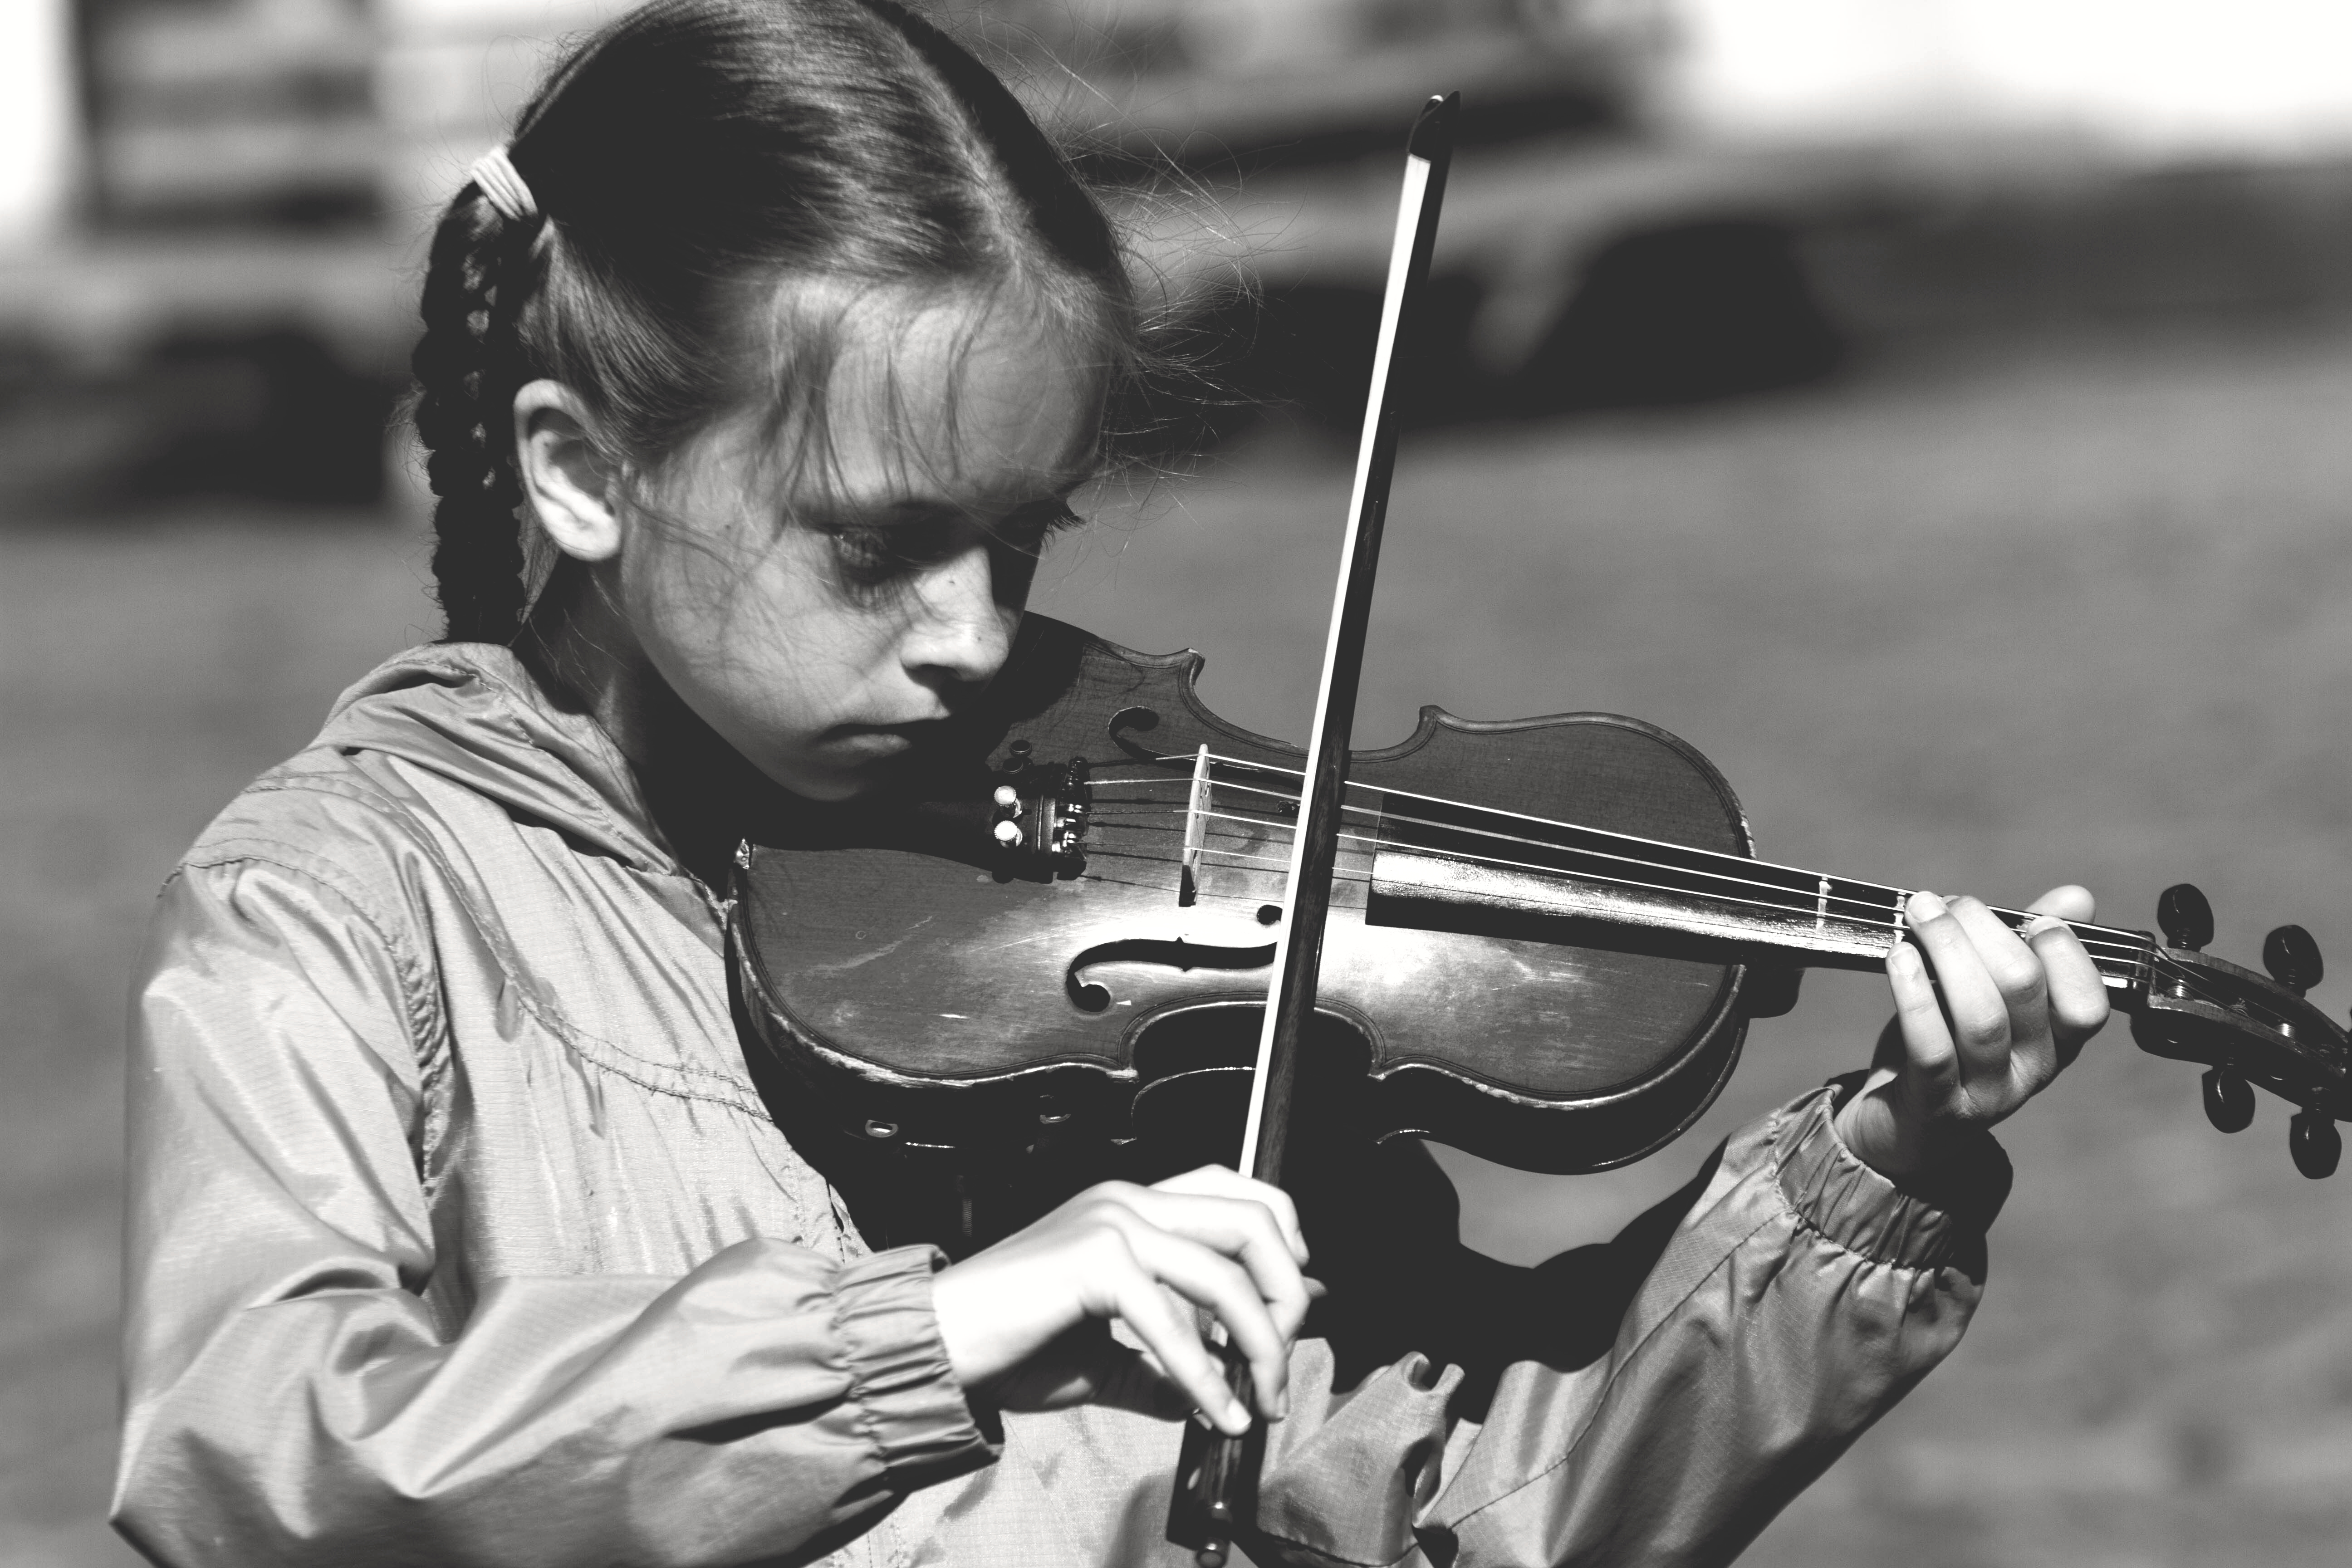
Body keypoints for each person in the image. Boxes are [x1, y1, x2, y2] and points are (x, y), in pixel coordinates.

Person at [110, 2, 2112, 1564]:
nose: (978, 640)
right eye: (879, 549)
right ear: (583, 473)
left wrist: (1883, 1171)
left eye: (1027, 540)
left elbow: (1441, 1514)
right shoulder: (343, 900)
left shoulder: (1120, 964)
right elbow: (260, 1463)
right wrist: (936, 1333)